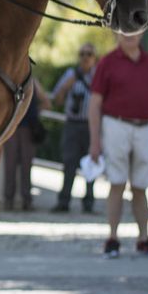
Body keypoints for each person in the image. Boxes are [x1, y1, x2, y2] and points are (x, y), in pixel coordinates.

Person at [88, 31, 148, 258]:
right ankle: (112, 238)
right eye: (124, 30)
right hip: (116, 125)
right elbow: (95, 103)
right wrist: (95, 141)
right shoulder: (107, 62)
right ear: (116, 34)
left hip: (145, 128)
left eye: (133, 30)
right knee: (117, 183)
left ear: (142, 33)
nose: (129, 35)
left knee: (141, 186)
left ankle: (144, 239)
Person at [48, 43, 99, 213]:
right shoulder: (70, 74)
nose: (85, 57)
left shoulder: (98, 76)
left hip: (91, 125)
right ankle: (64, 201)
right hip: (72, 124)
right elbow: (57, 99)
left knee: (90, 164)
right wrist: (66, 86)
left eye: (89, 54)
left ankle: (89, 203)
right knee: (69, 163)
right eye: (82, 53)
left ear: (94, 57)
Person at [0, 86, 45, 211]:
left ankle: (24, 200)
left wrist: (34, 111)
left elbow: (46, 103)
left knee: (25, 166)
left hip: (27, 129)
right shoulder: (12, 81)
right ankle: (10, 200)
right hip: (13, 128)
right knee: (11, 166)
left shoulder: (33, 84)